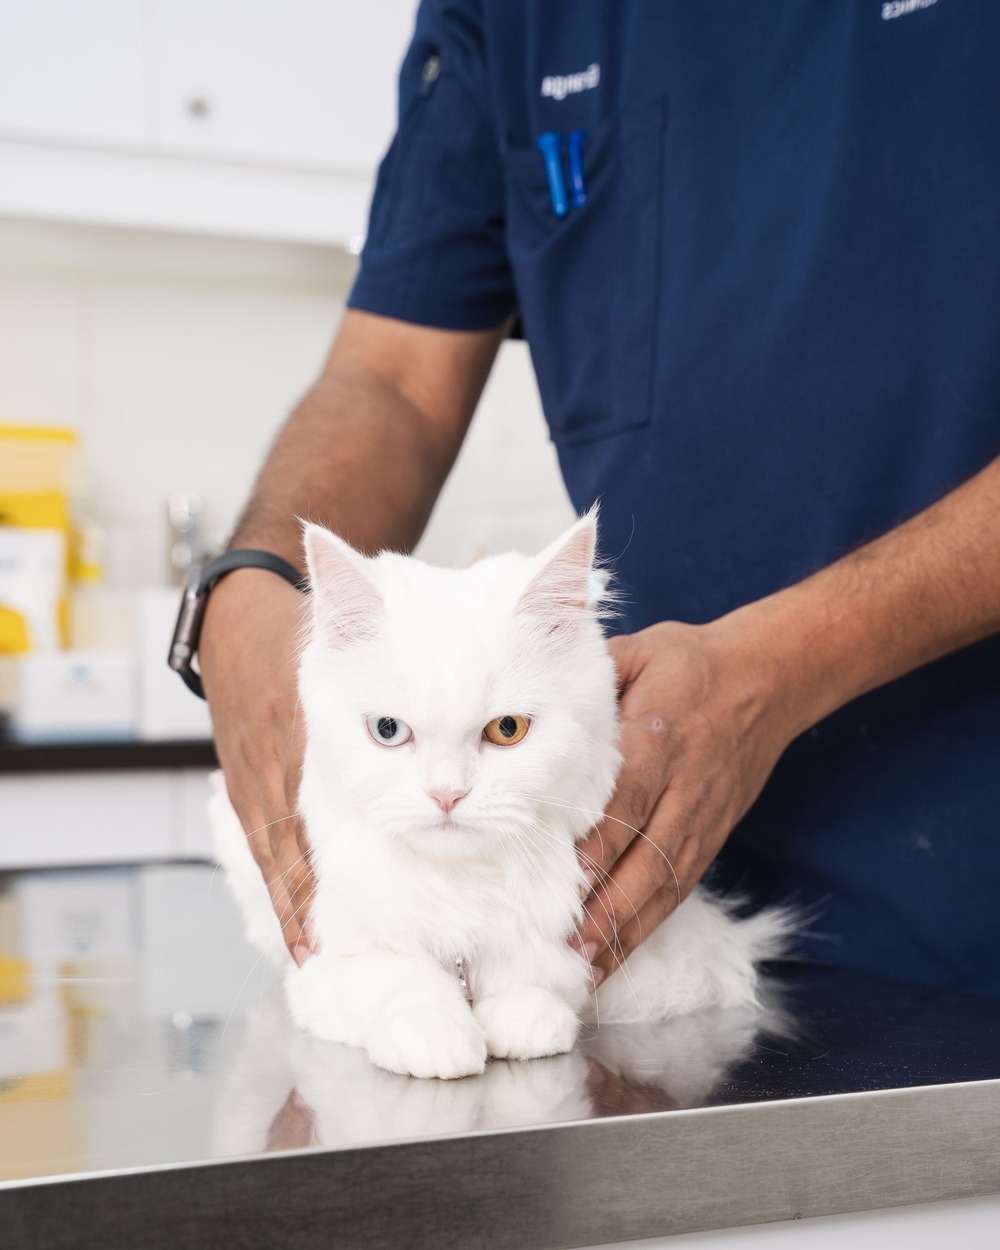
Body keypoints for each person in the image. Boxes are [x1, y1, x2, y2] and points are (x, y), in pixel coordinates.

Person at [199, 0, 1000, 996]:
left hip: (969, 884)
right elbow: (394, 375)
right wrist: (246, 581)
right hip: (654, 920)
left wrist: (783, 665)